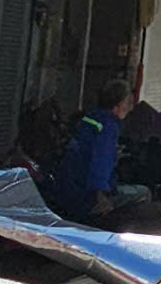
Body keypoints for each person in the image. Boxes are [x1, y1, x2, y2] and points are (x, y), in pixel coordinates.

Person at [50, 81, 136, 221]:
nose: (131, 108)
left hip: (67, 188)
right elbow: (101, 162)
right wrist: (100, 195)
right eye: (128, 102)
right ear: (117, 105)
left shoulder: (90, 118)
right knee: (143, 193)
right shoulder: (108, 126)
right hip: (85, 195)